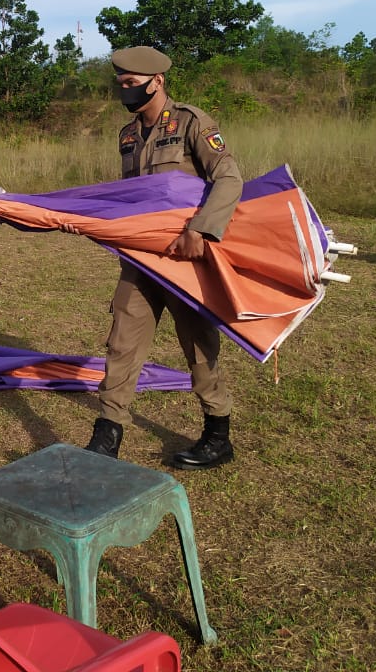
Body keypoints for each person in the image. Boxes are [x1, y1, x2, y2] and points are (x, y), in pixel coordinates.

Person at [81, 46, 243, 468]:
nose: (126, 92)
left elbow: (228, 178)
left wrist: (201, 229)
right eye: (121, 85)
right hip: (140, 261)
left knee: (198, 346)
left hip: (184, 260)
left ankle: (217, 432)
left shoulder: (191, 123)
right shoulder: (128, 135)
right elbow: (131, 196)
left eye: (132, 84)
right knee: (121, 341)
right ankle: (107, 435)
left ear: (158, 81)